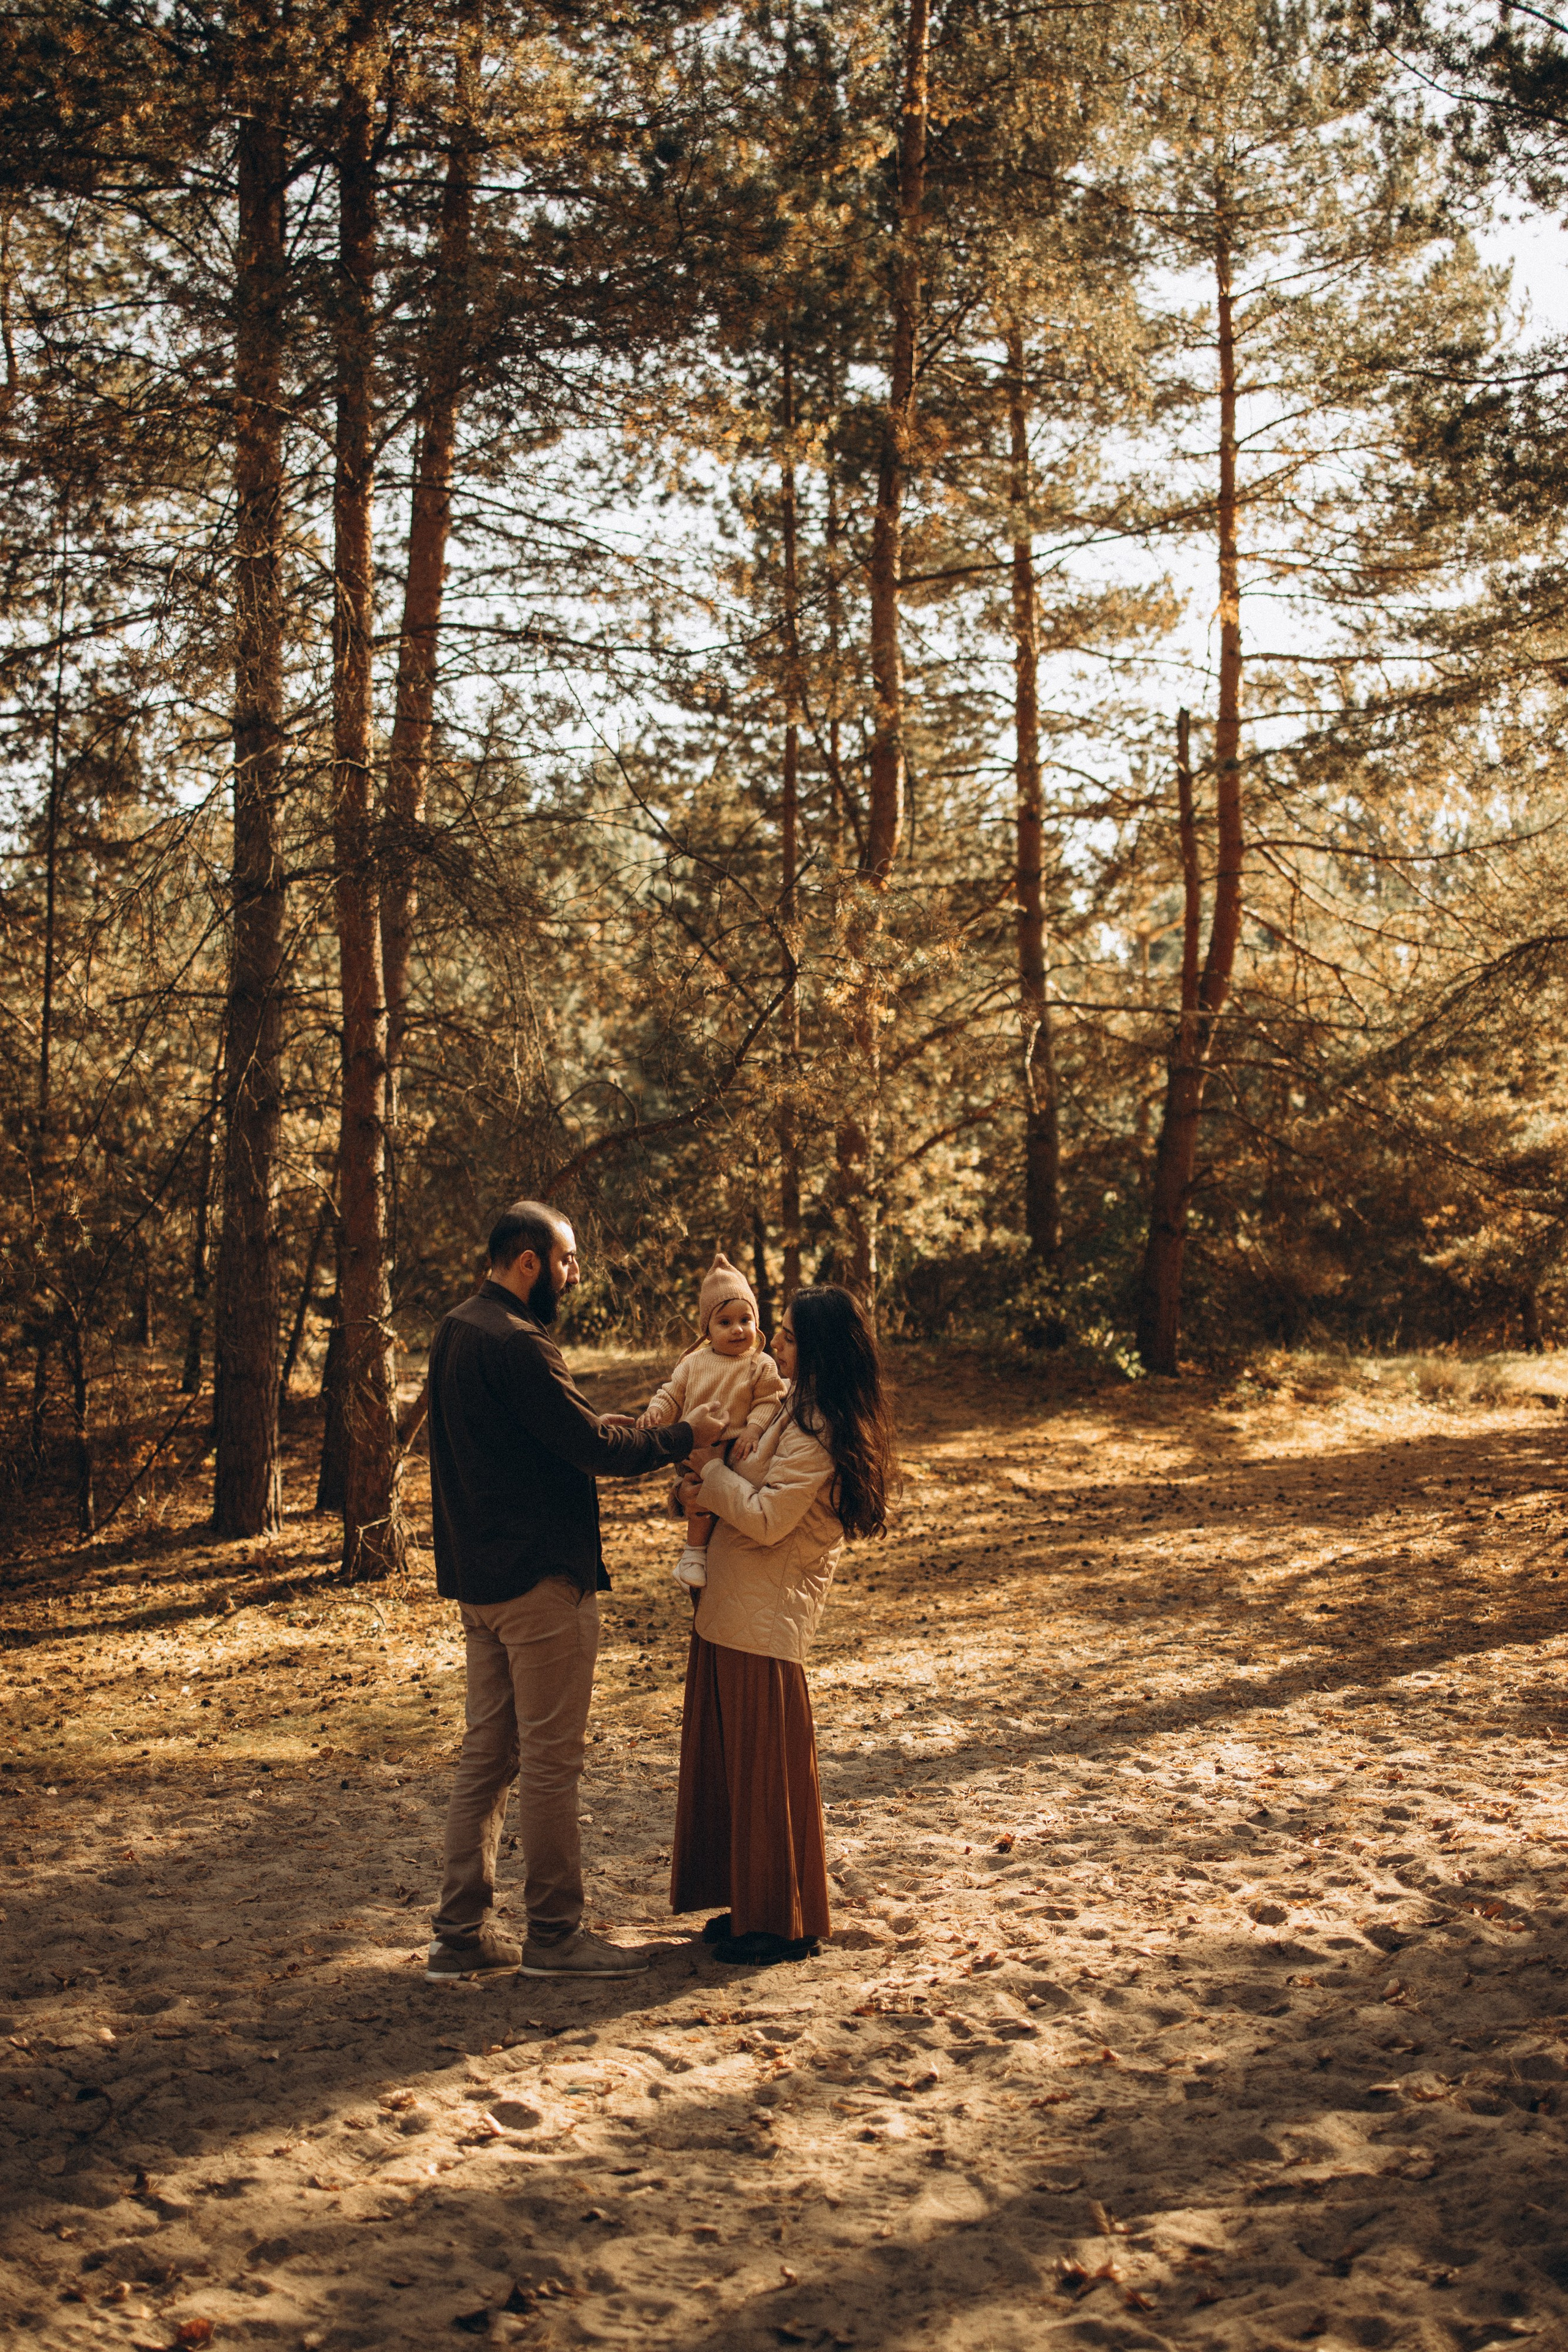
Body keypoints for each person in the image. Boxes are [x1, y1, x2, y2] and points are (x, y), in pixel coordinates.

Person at [425, 1199, 729, 1983]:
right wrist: (680, 1438)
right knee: (552, 1763)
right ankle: (555, 1935)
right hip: (539, 1583)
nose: (573, 1273)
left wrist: (606, 1425)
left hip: (479, 1581)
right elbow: (592, 1451)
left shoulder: (458, 1328)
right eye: (565, 1260)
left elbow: (544, 1434)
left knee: (485, 1759)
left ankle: (460, 1935)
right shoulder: (521, 1343)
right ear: (528, 1262)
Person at [668, 1284, 894, 1966]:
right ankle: (751, 1900)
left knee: (766, 1766)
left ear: (820, 1346)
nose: (776, 1343)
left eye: (790, 1334)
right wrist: (697, 1478)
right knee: (736, 1762)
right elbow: (735, 1477)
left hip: (765, 1615)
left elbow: (767, 1517)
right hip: (732, 1605)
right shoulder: (789, 1404)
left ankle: (783, 1921)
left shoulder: (822, 1426)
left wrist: (708, 1473)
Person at [635, 1251, 786, 1588]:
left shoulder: (761, 1364)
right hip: (697, 1444)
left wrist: (753, 1428)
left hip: (738, 1446)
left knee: (729, 1498)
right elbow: (672, 1393)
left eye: (745, 1320)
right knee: (699, 1494)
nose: (737, 1330)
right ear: (707, 1330)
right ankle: (693, 1552)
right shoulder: (693, 1362)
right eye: (725, 1322)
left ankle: (707, 1558)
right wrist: (657, 1411)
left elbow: (769, 1400)